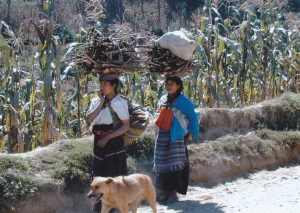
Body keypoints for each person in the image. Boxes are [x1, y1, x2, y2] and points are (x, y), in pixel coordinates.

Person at [86, 73, 130, 212]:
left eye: (106, 84)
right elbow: (89, 119)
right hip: (99, 143)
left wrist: (107, 138)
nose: (102, 86)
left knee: (114, 176)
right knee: (99, 174)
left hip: (114, 143)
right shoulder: (95, 101)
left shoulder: (120, 102)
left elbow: (125, 126)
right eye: (101, 84)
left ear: (114, 85)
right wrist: (101, 102)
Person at [154, 75, 199, 202]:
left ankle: (173, 192)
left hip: (177, 135)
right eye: (167, 84)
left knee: (174, 163)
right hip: (163, 134)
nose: (169, 86)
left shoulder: (183, 101)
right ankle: (165, 191)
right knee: (162, 162)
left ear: (178, 86)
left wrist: (190, 134)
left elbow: (193, 117)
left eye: (172, 84)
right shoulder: (163, 99)